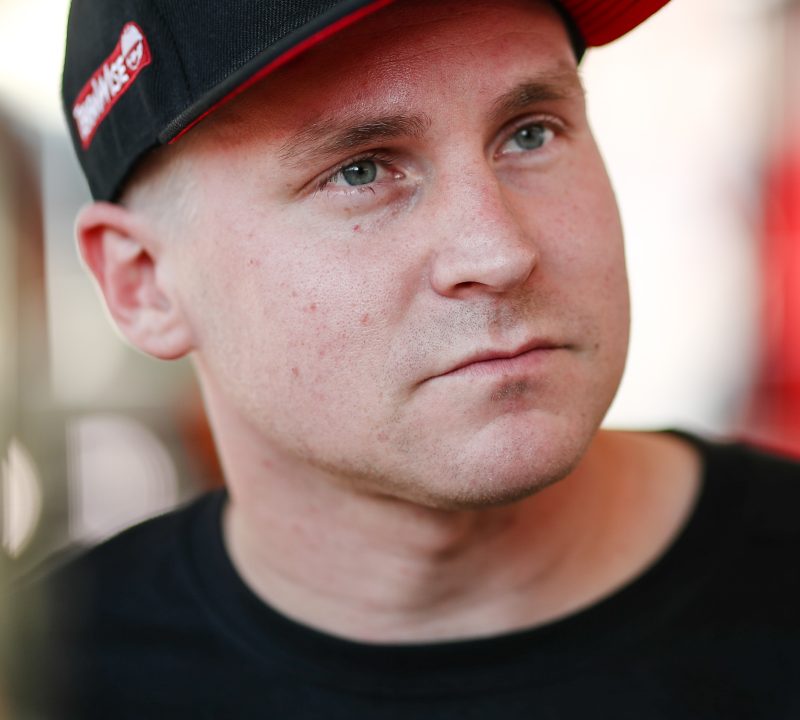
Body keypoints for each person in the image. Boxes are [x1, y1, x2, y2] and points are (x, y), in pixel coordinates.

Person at [7, 0, 800, 717]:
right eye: (360, 171)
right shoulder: (48, 681)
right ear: (144, 283)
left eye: (530, 132)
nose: (499, 252)